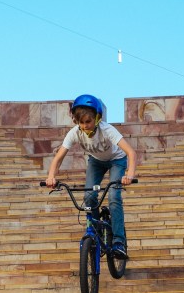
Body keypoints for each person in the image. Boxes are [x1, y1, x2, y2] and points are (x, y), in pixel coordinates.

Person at [45, 94, 137, 259]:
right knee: (89, 196)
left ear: (97, 118)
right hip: (96, 162)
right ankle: (95, 232)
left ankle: (118, 242)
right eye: (82, 122)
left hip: (117, 160)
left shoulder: (107, 130)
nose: (85, 126)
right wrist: (51, 176)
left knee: (114, 196)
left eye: (89, 121)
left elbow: (130, 152)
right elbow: (58, 158)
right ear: (77, 122)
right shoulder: (75, 133)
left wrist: (129, 175)